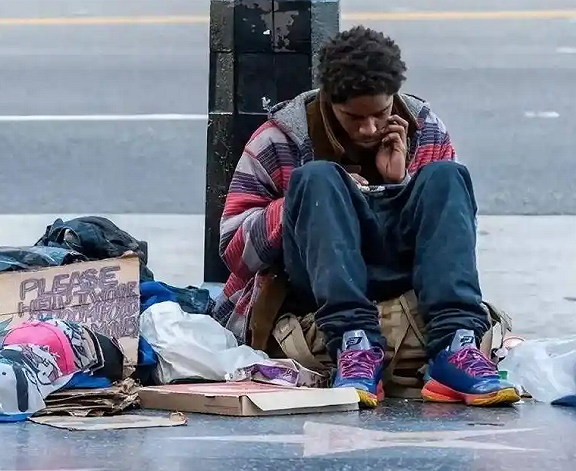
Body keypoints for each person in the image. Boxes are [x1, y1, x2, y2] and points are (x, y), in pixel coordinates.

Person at [213, 25, 519, 408]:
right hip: (319, 284)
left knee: (447, 176)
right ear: (329, 100)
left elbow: (451, 237)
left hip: (408, 275)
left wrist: (401, 183)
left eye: (380, 113)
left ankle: (455, 346)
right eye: (353, 118)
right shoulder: (280, 138)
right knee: (317, 179)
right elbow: (234, 253)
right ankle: (354, 347)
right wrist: (299, 203)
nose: (370, 128)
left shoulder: (425, 128)